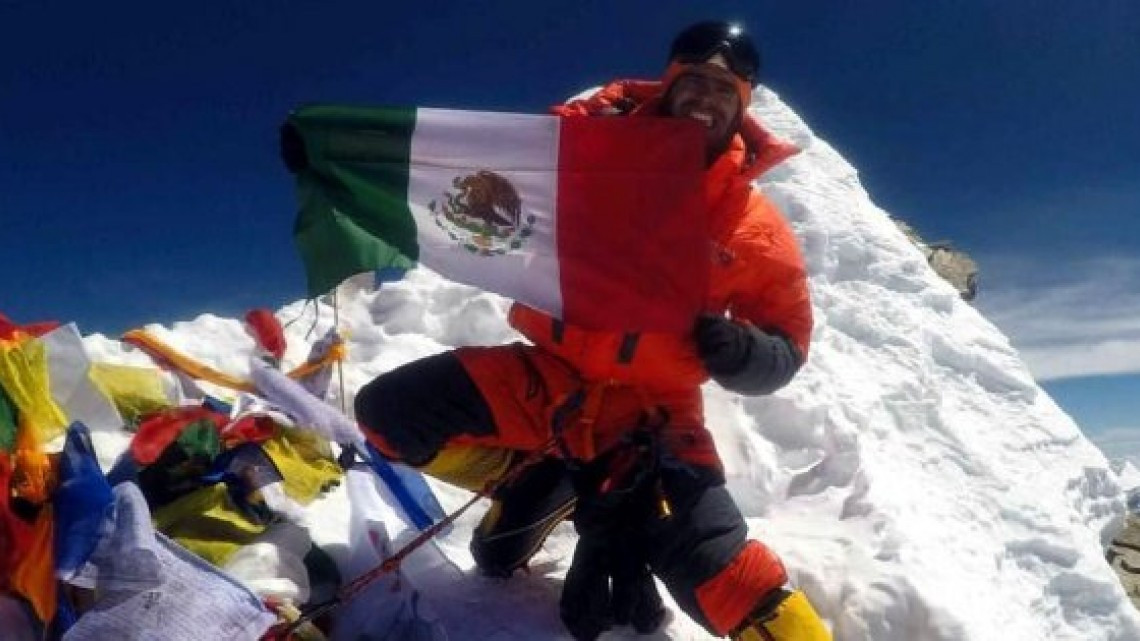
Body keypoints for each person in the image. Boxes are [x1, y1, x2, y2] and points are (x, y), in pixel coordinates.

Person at [351, 20, 831, 640]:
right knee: (389, 413)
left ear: (742, 105)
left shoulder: (755, 229)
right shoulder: (588, 154)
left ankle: (570, 492)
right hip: (550, 379)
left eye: (724, 89)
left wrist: (746, 352)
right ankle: (533, 476)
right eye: (694, 82)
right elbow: (487, 173)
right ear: (670, 84)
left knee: (707, 578)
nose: (706, 98)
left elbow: (788, 342)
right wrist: (350, 156)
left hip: (653, 418)